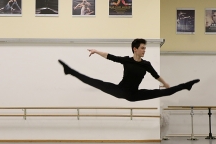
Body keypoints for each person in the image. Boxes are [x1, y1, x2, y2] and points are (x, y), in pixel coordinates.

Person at [58, 38, 199, 102]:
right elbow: (110, 57)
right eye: (142, 48)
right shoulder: (126, 60)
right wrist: (96, 51)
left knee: (164, 92)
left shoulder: (146, 64)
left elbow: (156, 76)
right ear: (135, 49)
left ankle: (186, 86)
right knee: (95, 82)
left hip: (134, 95)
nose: (144, 50)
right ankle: (70, 71)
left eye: (145, 48)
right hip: (120, 90)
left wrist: (166, 83)